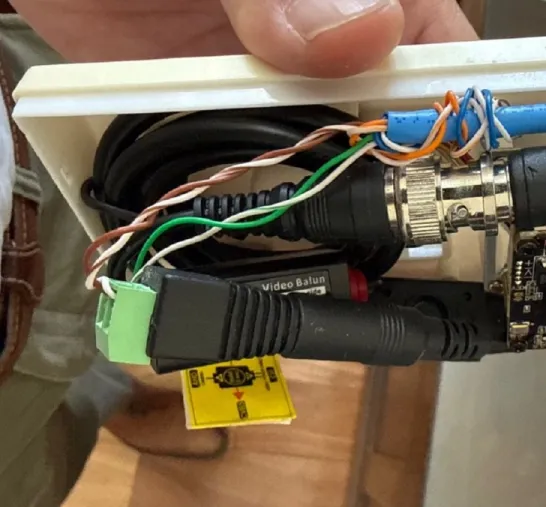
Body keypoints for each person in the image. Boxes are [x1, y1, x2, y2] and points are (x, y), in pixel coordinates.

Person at [0, 1, 476, 505]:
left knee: (117, 309)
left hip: (25, 125)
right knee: (34, 457)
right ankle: (114, 401)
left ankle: (114, 397)